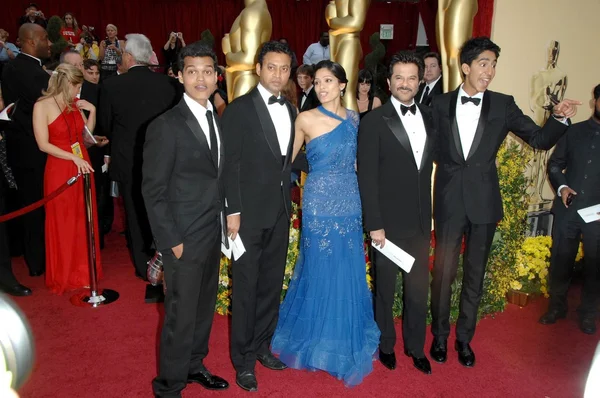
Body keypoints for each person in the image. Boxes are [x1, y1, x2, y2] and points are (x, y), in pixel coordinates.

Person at [429, 37, 580, 368]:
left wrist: (558, 119)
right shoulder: (439, 105)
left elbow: (539, 140)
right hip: (449, 201)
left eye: (494, 64)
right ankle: (440, 337)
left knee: (474, 275)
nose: (490, 71)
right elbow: (428, 150)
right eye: (484, 63)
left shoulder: (502, 104)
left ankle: (464, 339)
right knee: (443, 274)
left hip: (484, 203)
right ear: (465, 67)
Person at [272, 59, 380, 386]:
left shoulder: (356, 120)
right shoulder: (304, 118)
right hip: (318, 200)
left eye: (328, 81)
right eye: (317, 82)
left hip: (349, 199)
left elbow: (364, 162)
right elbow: (286, 159)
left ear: (343, 85)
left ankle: (340, 335)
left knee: (346, 267)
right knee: (319, 265)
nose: (321, 87)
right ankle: (315, 338)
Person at [144, 42, 229, 398]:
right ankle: (169, 386)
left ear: (216, 77)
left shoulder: (219, 119)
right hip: (183, 238)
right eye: (191, 71)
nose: (200, 78)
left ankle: (194, 365)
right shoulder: (165, 125)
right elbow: (153, 190)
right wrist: (171, 241)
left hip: (213, 234)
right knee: (179, 316)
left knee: (203, 308)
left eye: (207, 71)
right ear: (179, 76)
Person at [221, 41, 295, 392]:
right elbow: (229, 164)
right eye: (272, 67)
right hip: (247, 216)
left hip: (280, 211)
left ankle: (263, 346)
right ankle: (243, 361)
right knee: (246, 290)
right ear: (258, 69)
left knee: (270, 286)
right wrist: (232, 212)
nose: (278, 74)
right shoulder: (239, 109)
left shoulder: (293, 110)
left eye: (284, 68)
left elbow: (288, 161)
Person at [357, 51, 435, 375]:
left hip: (419, 224)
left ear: (420, 81)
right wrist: (374, 224)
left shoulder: (431, 117)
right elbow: (368, 177)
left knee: (418, 293)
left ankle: (416, 348)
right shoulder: (374, 121)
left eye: (412, 78)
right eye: (399, 77)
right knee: (385, 293)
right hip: (386, 227)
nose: (405, 83)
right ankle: (386, 345)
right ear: (389, 82)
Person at [99, 33, 177, 279]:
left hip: (128, 160)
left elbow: (105, 125)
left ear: (129, 57)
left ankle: (145, 266)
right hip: (166, 160)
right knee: (166, 209)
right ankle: (168, 260)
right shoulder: (170, 85)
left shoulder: (111, 86)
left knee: (133, 213)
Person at [32, 64, 107, 294]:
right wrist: (73, 159)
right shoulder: (42, 106)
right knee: (63, 221)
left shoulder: (75, 104)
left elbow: (85, 136)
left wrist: (92, 111)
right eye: (77, 86)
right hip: (60, 167)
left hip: (81, 162)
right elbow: (43, 144)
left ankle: (84, 272)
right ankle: (64, 274)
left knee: (83, 220)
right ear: (66, 83)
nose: (78, 91)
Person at [539, 83, 600, 335]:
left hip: (598, 215)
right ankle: (557, 306)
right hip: (568, 209)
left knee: (595, 265)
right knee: (560, 260)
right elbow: (554, 165)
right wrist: (562, 187)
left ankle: (588, 313)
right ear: (594, 101)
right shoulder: (573, 132)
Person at [0, 23, 51, 277]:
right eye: (45, 39)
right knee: (35, 207)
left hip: (18, 149)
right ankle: (39, 262)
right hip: (36, 151)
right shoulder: (36, 74)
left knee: (25, 204)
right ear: (30, 42)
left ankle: (29, 255)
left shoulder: (10, 68)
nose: (49, 43)